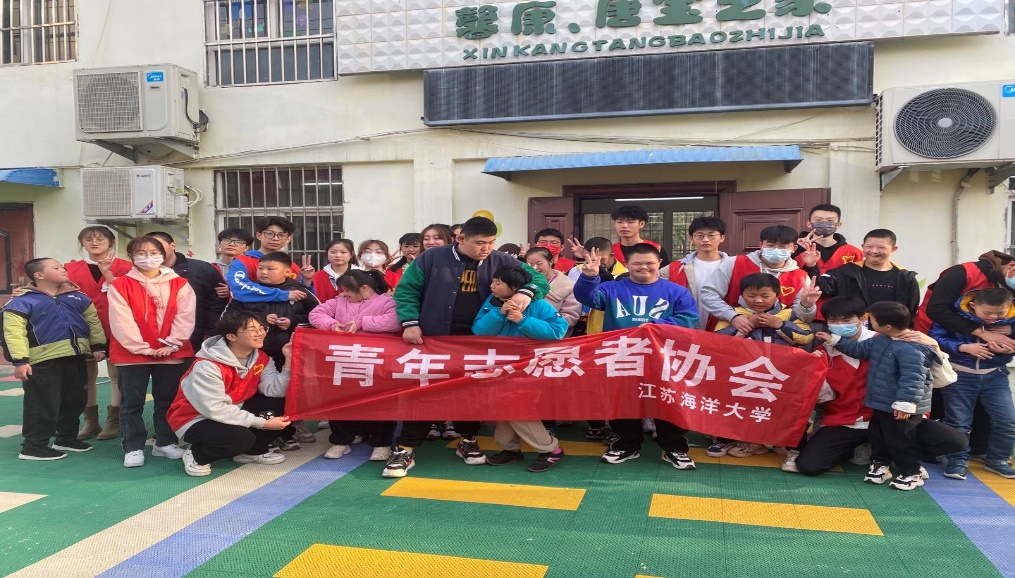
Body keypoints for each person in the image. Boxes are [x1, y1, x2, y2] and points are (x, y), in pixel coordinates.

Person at [383, 216, 550, 478]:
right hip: (434, 339)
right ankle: (405, 448)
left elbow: (540, 280)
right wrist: (410, 322)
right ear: (460, 239)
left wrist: (524, 292)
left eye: (491, 242)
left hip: (477, 341)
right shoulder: (431, 258)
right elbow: (407, 292)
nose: (486, 248)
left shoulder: (501, 260)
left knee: (471, 393)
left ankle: (468, 439)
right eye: (480, 243)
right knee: (425, 393)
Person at [574, 243, 700, 469]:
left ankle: (675, 448)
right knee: (623, 401)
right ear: (627, 264)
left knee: (666, 400)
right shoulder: (611, 288)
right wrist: (589, 277)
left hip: (662, 358)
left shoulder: (676, 291)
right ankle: (626, 445)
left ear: (659, 263)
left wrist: (655, 325)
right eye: (637, 263)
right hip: (623, 356)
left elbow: (689, 319)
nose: (644, 267)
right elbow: (587, 298)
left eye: (649, 263)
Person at [818, 302, 945, 491]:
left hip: (901, 407)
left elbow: (913, 379)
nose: (869, 323)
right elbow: (859, 350)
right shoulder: (882, 340)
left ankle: (911, 473)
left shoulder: (913, 347)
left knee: (901, 441)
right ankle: (880, 466)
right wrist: (835, 340)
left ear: (887, 326)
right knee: (878, 436)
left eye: (872, 320)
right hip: (881, 403)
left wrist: (905, 404)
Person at [167, 311, 293, 477]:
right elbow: (215, 408)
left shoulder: (261, 358)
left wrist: (289, 360)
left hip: (233, 410)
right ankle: (197, 455)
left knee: (283, 403)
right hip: (195, 418)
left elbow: (275, 390)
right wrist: (263, 423)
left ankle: (252, 452)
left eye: (262, 328)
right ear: (231, 336)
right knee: (240, 438)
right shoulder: (207, 365)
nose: (260, 333)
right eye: (251, 330)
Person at [3, 258, 106, 460]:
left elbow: (93, 322)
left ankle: (66, 438)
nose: (63, 270)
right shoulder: (21, 301)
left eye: (63, 267)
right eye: (56, 268)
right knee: (42, 403)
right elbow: (13, 333)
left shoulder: (78, 297)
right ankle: (33, 446)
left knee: (75, 400)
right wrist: (20, 361)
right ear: (39, 275)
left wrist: (97, 346)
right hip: (42, 361)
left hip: (75, 356)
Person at [915, 249, 1015, 457]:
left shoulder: (1007, 287)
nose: (994, 316)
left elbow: (1009, 329)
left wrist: (1010, 337)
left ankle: (983, 452)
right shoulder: (963, 272)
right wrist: (980, 334)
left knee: (997, 416)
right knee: (947, 409)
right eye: (988, 312)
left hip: (992, 369)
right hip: (943, 349)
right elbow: (937, 310)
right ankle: (941, 452)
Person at [107, 236, 196, 469]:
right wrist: (142, 348)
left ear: (163, 254)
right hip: (131, 354)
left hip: (170, 352)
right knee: (132, 402)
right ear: (131, 256)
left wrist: (173, 344)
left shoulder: (180, 284)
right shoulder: (120, 284)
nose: (148, 257)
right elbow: (121, 321)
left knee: (167, 399)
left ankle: (165, 442)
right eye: (141, 253)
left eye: (154, 252)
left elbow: (185, 316)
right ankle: (133, 447)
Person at [472, 266, 569, 472]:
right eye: (493, 282)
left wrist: (523, 321)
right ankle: (510, 449)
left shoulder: (539, 305)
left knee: (518, 408)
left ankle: (551, 449)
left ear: (514, 287)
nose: (492, 286)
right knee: (504, 407)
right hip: (500, 367)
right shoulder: (492, 302)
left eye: (498, 283)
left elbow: (558, 331)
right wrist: (499, 314)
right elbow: (479, 331)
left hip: (529, 368)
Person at [713, 273, 813, 463]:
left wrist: (780, 325)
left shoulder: (789, 313)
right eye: (751, 295)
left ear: (777, 294)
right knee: (736, 406)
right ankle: (726, 439)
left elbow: (806, 336)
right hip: (743, 372)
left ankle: (791, 448)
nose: (758, 300)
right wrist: (747, 324)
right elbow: (717, 339)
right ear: (742, 295)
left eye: (765, 296)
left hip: (780, 373)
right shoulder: (734, 314)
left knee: (784, 410)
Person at [223, 251, 320, 447]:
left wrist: (292, 322)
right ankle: (263, 431)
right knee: (257, 393)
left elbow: (319, 319)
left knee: (291, 391)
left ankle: (291, 428)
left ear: (287, 272)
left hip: (290, 354)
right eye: (260, 268)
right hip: (254, 355)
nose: (263, 272)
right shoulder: (248, 292)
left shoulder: (301, 293)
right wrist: (259, 321)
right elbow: (227, 319)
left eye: (270, 269)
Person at [309, 269, 401, 462]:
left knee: (379, 402)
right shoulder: (339, 301)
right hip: (343, 360)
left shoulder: (386, 301)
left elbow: (395, 321)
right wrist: (332, 324)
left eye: (348, 290)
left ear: (364, 288)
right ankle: (341, 440)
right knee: (339, 400)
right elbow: (316, 314)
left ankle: (381, 443)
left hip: (376, 362)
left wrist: (361, 323)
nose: (344, 294)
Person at [929, 288, 1015, 479]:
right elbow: (935, 339)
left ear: (1010, 306)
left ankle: (999, 459)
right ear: (973, 305)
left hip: (996, 375)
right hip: (959, 375)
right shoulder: (954, 315)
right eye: (987, 313)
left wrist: (1008, 349)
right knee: (958, 422)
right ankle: (957, 459)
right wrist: (964, 347)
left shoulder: (1011, 320)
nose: (993, 317)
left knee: (1007, 420)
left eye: (1000, 313)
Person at [65, 226, 132, 441]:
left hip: (116, 326)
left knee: (116, 375)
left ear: (111, 242)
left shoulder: (126, 267)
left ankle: (114, 421)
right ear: (82, 243)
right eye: (88, 239)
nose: (94, 243)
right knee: (86, 376)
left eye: (100, 239)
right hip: (81, 328)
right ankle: (91, 421)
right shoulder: (69, 268)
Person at [795, 298, 877, 476]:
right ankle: (854, 449)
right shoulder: (824, 349)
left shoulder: (882, 341)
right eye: (833, 320)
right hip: (843, 420)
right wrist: (812, 371)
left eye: (846, 320)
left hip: (882, 419)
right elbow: (824, 395)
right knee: (809, 466)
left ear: (862, 318)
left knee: (937, 438)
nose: (840, 325)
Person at [700, 225, 821, 336]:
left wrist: (807, 306)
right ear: (761, 245)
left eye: (783, 246)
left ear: (794, 248)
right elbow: (708, 294)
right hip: (731, 333)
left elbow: (802, 318)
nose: (776, 250)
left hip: (777, 341)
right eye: (770, 245)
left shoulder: (800, 276)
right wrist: (733, 316)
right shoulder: (734, 263)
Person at [802, 229, 920, 316]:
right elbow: (822, 288)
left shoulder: (906, 278)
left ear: (893, 249)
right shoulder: (847, 271)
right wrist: (811, 266)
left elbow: (910, 311)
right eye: (869, 247)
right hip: (853, 332)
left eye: (881, 248)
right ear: (863, 247)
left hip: (890, 334)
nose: (874, 251)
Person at [149, 232, 229, 357]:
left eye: (158, 245)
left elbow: (218, 302)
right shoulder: (142, 273)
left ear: (173, 245)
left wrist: (211, 332)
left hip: (197, 337)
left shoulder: (201, 269)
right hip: (155, 339)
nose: (155, 250)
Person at [660, 216, 732, 330]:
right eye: (700, 235)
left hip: (723, 327)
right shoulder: (676, 268)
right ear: (691, 238)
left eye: (711, 235)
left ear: (722, 238)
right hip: (685, 328)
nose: (706, 240)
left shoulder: (733, 266)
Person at [226, 216, 313, 302]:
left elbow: (304, 297)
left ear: (288, 239)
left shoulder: (292, 266)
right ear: (259, 235)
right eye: (270, 233)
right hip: (247, 311)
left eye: (281, 235)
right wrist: (282, 295)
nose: (275, 238)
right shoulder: (242, 262)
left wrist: (307, 281)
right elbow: (239, 288)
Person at [792, 204, 864, 274]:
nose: (824, 223)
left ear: (838, 225)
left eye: (830, 220)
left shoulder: (854, 253)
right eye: (818, 220)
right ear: (809, 224)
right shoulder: (794, 249)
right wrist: (799, 249)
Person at [525, 247, 581, 333]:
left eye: (539, 263)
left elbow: (570, 316)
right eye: (530, 265)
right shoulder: (521, 282)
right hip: (523, 333)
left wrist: (539, 327)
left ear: (550, 262)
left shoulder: (568, 285)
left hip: (553, 335)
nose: (535, 268)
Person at [311, 239, 360, 303]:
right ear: (327, 253)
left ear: (351, 254)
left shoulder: (361, 276)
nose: (338, 255)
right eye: (333, 252)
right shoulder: (316, 276)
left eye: (343, 252)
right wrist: (306, 280)